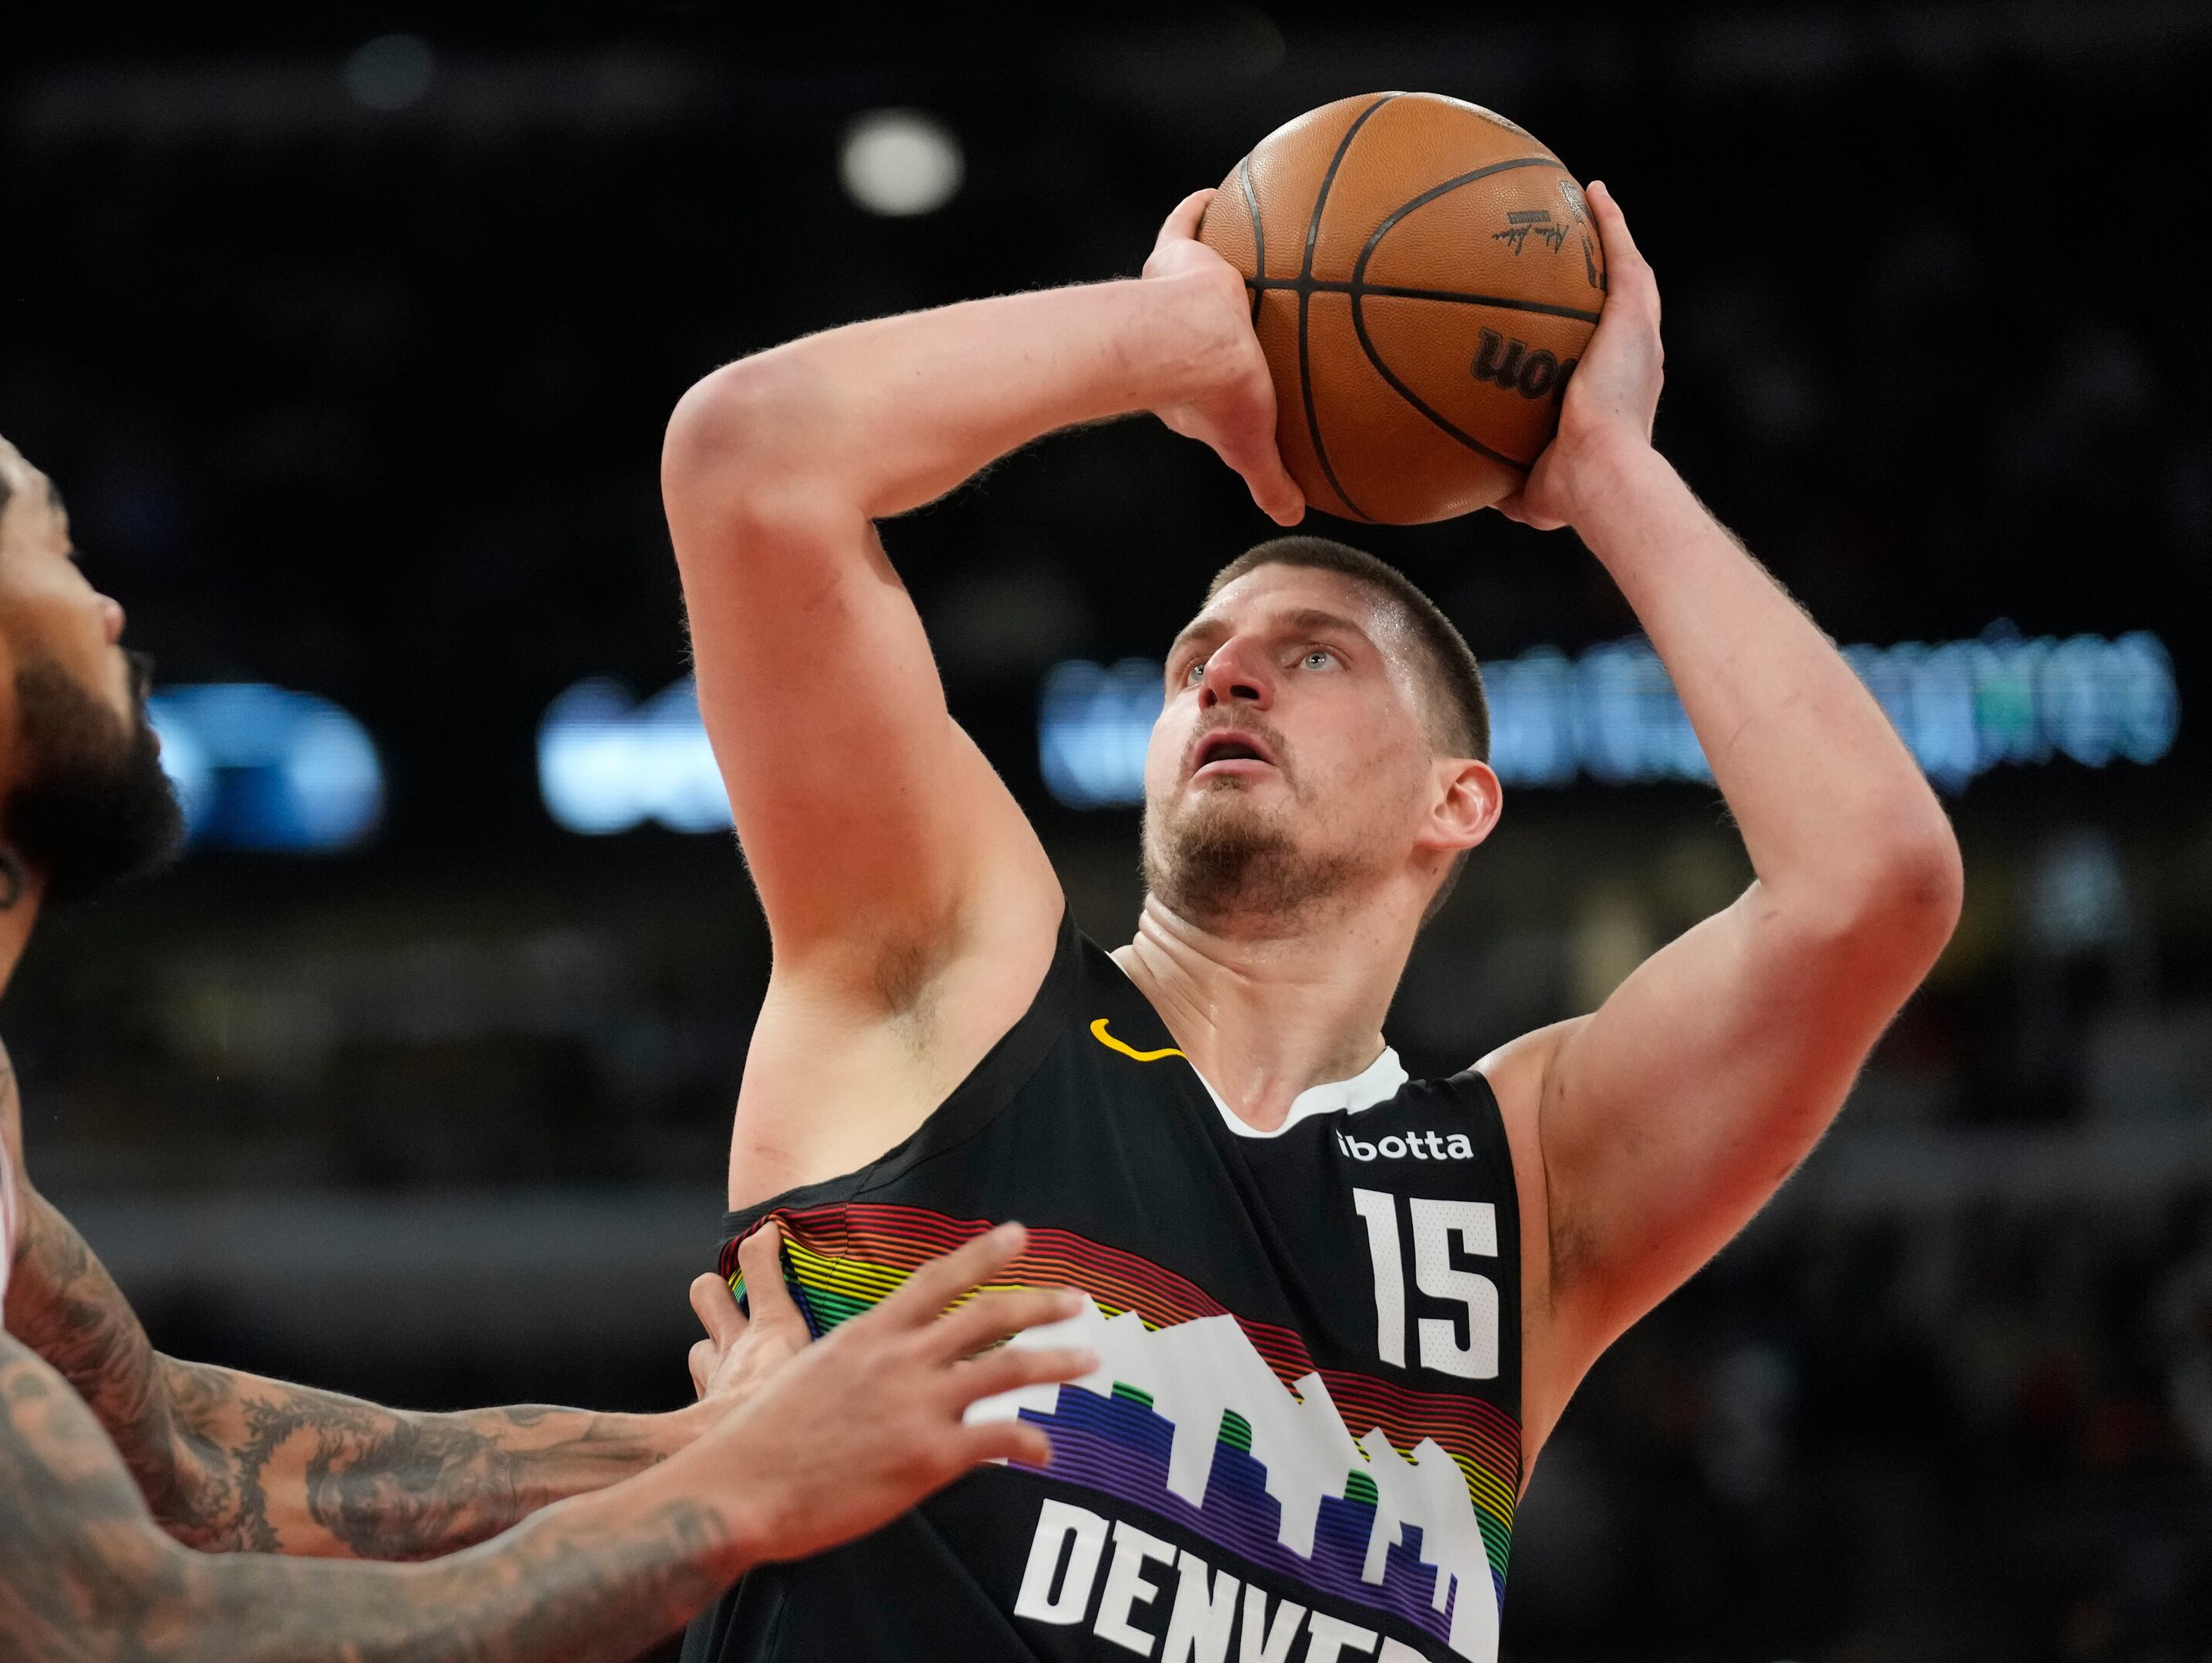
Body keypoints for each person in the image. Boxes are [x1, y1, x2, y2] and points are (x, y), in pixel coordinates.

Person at [0, 366, 1102, 1663]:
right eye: (63, 554)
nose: (119, 609)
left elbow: (190, 1470)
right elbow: (110, 1627)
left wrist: (697, 1445)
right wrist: (729, 1511)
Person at [655, 181, 1962, 1663]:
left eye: (1315, 654)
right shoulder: (953, 976)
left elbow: (1873, 886)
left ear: (1456, 802)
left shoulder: (1520, 1193)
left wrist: (1607, 468)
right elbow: (754, 461)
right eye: (1194, 661)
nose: (1226, 677)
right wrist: (1178, 337)